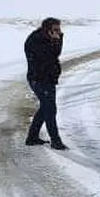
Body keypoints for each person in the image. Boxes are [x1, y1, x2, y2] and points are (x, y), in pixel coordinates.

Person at [24, 17, 67, 150]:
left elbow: (55, 54)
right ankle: (55, 140)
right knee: (50, 109)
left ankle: (32, 137)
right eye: (56, 30)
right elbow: (52, 54)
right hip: (39, 80)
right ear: (47, 30)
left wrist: (57, 38)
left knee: (45, 108)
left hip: (47, 79)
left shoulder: (48, 39)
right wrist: (56, 40)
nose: (59, 32)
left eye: (59, 29)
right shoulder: (36, 41)